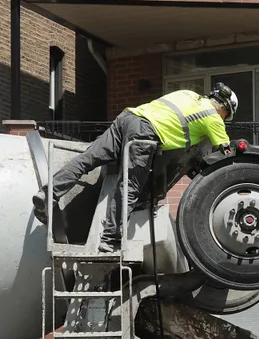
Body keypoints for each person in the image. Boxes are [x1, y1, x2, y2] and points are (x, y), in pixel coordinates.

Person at [32, 84, 238, 252]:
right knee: (130, 185)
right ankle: (110, 239)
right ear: (224, 108)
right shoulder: (212, 118)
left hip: (126, 119)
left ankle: (48, 194)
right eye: (225, 116)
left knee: (87, 160)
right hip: (144, 134)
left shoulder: (187, 94)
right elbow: (226, 152)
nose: (223, 120)